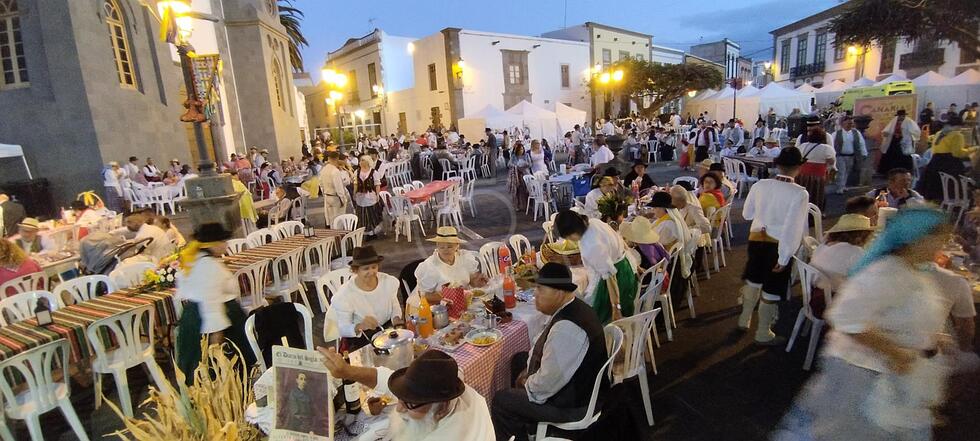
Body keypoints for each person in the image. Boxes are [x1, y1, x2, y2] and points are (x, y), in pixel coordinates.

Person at [777, 208, 954, 440]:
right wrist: (896, 353)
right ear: (918, 238)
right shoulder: (886, 273)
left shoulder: (911, 272)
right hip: (865, 377)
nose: (943, 245)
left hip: (892, 379)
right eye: (939, 238)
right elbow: (846, 318)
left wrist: (929, 338)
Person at [490, 263, 609, 441]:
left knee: (501, 400)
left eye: (540, 289)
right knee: (519, 359)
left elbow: (547, 384)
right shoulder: (574, 306)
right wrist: (528, 372)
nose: (535, 295)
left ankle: (522, 429)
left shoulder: (567, 328)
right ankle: (528, 425)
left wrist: (527, 383)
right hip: (578, 385)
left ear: (559, 293)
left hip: (575, 405)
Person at [320, 347, 495, 441]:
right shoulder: (450, 389)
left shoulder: (450, 434)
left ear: (442, 408)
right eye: (400, 398)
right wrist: (347, 371)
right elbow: (384, 378)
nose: (399, 408)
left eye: (409, 403)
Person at [739, 148, 810, 345]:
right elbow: (793, 228)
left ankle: (744, 319)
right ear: (799, 167)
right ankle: (763, 332)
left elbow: (746, 214)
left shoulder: (760, 185)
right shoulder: (800, 193)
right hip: (778, 245)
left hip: (756, 239)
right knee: (771, 288)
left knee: (753, 279)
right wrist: (784, 257)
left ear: (777, 164)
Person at [174, 223, 253, 382]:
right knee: (216, 370)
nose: (226, 245)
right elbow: (210, 303)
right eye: (223, 241)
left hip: (197, 316)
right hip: (212, 322)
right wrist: (216, 339)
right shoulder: (208, 266)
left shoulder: (195, 260)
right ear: (213, 244)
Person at [553, 210, 636, 323]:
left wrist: (616, 308)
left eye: (567, 237)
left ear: (572, 233)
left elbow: (610, 276)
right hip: (625, 268)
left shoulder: (592, 246)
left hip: (616, 282)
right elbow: (618, 238)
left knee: (593, 317)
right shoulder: (594, 222)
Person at [328, 246, 403, 351]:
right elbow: (343, 329)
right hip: (362, 339)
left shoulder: (387, 282)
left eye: (374, 267)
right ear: (355, 270)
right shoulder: (345, 295)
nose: (371, 272)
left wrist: (396, 320)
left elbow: (394, 305)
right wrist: (361, 326)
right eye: (366, 269)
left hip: (386, 331)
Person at [807, 214, 875, 318]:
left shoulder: (824, 245)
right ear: (861, 236)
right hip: (831, 304)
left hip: (814, 294)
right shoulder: (855, 252)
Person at [411, 226, 487, 313]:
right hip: (439, 309)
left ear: (457, 246)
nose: (445, 250)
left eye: (449, 246)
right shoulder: (429, 266)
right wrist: (444, 298)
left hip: (464, 304)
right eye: (442, 247)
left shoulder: (464, 258)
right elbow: (424, 295)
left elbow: (472, 282)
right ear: (437, 246)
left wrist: (478, 282)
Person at [917, 115, 977, 201]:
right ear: (959, 125)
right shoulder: (957, 135)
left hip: (934, 163)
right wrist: (973, 149)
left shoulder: (939, 133)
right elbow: (957, 153)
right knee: (956, 184)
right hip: (949, 164)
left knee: (935, 190)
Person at [796, 127, 837, 211]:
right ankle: (815, 213)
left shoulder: (803, 146)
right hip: (818, 175)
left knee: (803, 194)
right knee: (817, 195)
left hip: (802, 174)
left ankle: (801, 211)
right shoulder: (826, 148)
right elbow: (831, 161)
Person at [829, 116, 867, 194]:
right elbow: (831, 145)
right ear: (842, 124)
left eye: (851, 123)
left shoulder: (856, 133)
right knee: (841, 171)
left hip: (851, 156)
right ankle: (840, 187)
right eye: (848, 123)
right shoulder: (836, 134)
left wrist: (864, 153)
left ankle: (843, 185)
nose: (850, 125)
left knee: (847, 171)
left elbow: (861, 143)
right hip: (840, 156)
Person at [879, 109, 921, 173]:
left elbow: (916, 131)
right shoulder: (894, 121)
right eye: (900, 116)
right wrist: (887, 133)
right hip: (894, 140)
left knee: (904, 155)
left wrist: (908, 134)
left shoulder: (909, 121)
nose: (901, 117)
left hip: (905, 140)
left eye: (902, 116)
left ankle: (904, 170)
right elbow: (888, 129)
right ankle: (890, 170)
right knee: (891, 154)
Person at [353, 154, 384, 236]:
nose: (360, 162)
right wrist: (354, 193)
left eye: (363, 160)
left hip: (370, 196)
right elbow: (356, 184)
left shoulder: (374, 172)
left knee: (371, 214)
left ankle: (373, 232)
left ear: (367, 162)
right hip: (360, 196)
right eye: (360, 161)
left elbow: (377, 184)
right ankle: (365, 232)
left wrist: (377, 194)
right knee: (362, 214)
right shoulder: (357, 172)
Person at [319, 151, 350, 227]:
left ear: (329, 158)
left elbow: (321, 184)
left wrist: (325, 194)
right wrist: (343, 199)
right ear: (337, 159)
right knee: (339, 219)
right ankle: (339, 233)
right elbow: (339, 187)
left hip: (327, 196)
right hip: (335, 197)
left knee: (331, 219)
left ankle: (333, 232)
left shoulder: (323, 169)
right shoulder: (335, 171)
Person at [507, 142, 531, 211]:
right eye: (520, 149)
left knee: (526, 190)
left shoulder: (526, 155)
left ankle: (526, 205)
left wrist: (526, 164)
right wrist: (515, 166)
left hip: (525, 174)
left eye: (522, 149)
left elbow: (530, 164)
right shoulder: (514, 156)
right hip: (516, 175)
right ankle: (517, 205)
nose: (521, 150)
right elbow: (509, 164)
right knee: (517, 191)